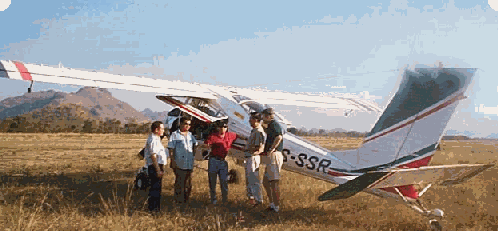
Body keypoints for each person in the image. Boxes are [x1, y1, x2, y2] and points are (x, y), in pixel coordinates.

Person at [203, 120, 239, 205]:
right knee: (212, 181)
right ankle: (213, 200)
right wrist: (207, 146)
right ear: (218, 128)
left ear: (227, 128)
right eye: (221, 127)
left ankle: (225, 200)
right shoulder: (213, 136)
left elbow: (239, 136)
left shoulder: (230, 135)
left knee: (224, 181)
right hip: (213, 160)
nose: (223, 129)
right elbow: (206, 144)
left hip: (223, 161)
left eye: (225, 127)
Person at [168, 117, 197, 205]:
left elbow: (195, 145)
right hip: (179, 164)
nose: (187, 126)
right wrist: (173, 161)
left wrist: (192, 156)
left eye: (189, 124)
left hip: (189, 164)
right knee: (180, 183)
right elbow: (171, 149)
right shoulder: (174, 135)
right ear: (180, 124)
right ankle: (178, 202)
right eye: (185, 123)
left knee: (188, 184)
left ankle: (186, 201)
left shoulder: (190, 135)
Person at [261, 108, 284, 213]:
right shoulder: (271, 126)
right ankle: (272, 204)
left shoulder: (274, 124)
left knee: (273, 182)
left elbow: (279, 137)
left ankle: (277, 207)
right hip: (272, 156)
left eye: (263, 116)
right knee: (265, 181)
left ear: (268, 116)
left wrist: (272, 149)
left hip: (274, 155)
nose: (262, 118)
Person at [144, 121, 168, 213]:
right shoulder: (153, 140)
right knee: (155, 189)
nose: (163, 130)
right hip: (155, 166)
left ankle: (155, 208)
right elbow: (153, 156)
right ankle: (153, 209)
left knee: (157, 189)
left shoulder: (156, 138)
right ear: (156, 129)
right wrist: (158, 170)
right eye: (162, 128)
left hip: (157, 166)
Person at [245, 112, 266, 207]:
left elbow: (259, 148)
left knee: (253, 179)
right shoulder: (254, 131)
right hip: (250, 157)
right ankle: (253, 200)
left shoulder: (258, 132)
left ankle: (258, 200)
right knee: (250, 179)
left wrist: (247, 149)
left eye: (251, 119)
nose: (249, 121)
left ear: (256, 120)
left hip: (253, 157)